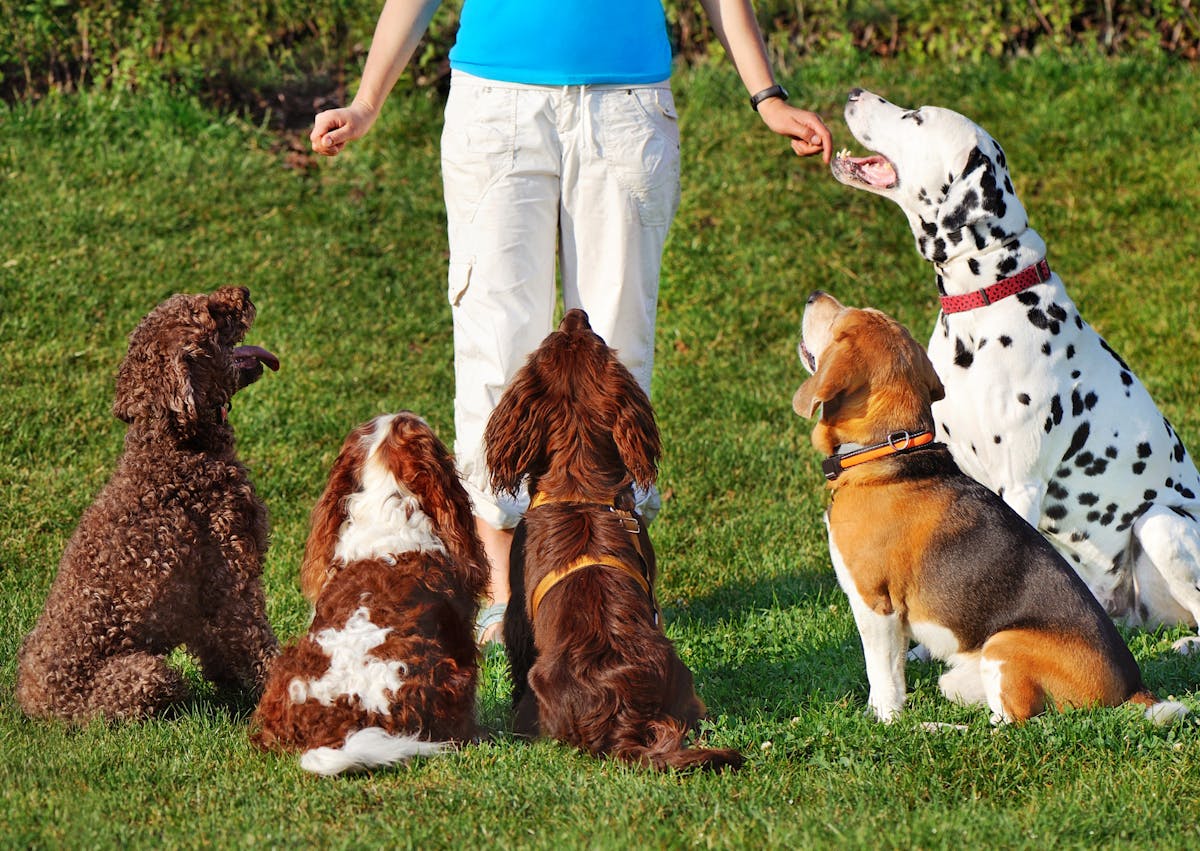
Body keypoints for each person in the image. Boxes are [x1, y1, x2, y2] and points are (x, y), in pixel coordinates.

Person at [311, 0, 833, 645]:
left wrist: (767, 97)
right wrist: (366, 103)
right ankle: (506, 593)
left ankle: (620, 573)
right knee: (495, 346)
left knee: (615, 357)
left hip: (625, 108)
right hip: (496, 107)